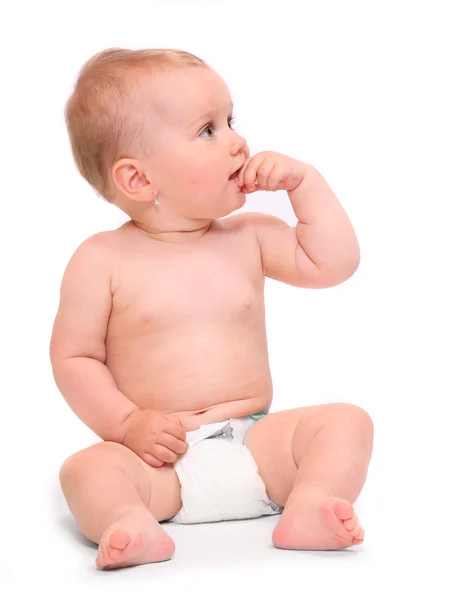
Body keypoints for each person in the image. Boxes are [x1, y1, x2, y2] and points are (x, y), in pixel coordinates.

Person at [50, 48, 374, 570]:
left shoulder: (250, 237)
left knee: (346, 422)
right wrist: (127, 422)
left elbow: (334, 263)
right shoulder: (100, 260)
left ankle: (311, 502)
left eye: (230, 121)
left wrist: (305, 185)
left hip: (257, 444)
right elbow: (75, 359)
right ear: (138, 181)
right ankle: (127, 519)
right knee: (85, 470)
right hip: (161, 462)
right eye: (207, 130)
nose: (237, 141)